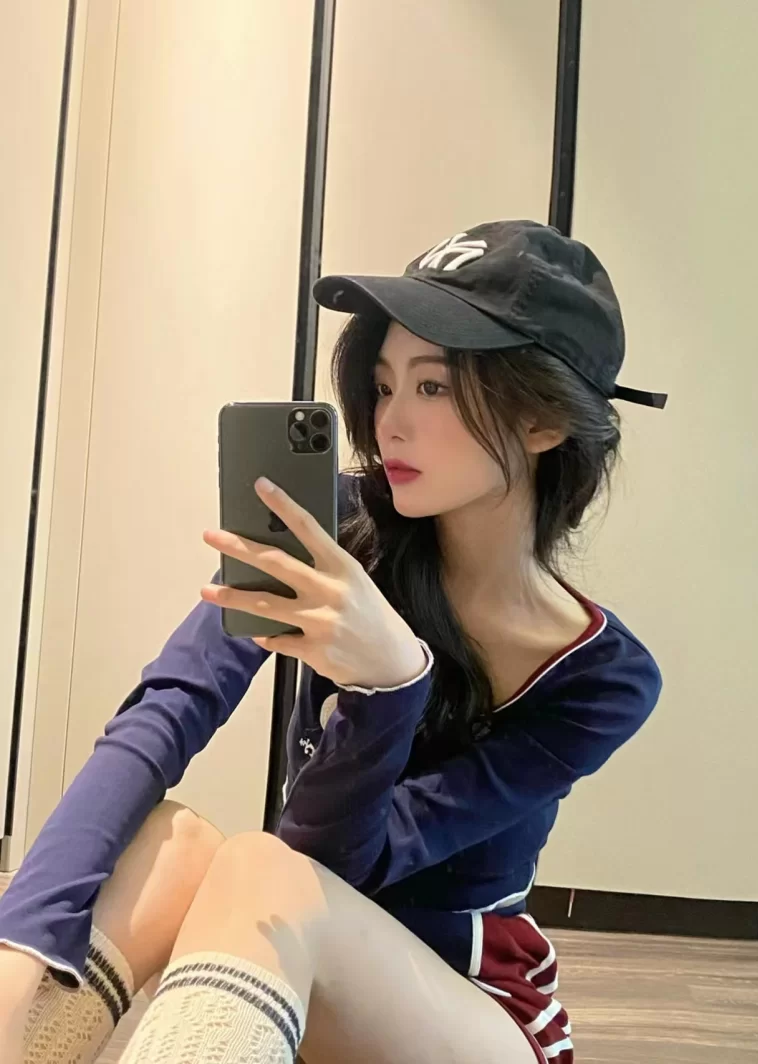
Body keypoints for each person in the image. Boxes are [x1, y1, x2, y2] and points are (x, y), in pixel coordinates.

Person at [0, 219, 666, 1064]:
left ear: (541, 421)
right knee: (176, 841)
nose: (390, 422)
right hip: (298, 952)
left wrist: (390, 687)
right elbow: (170, 707)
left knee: (265, 866)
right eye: (383, 385)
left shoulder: (602, 676)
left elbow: (340, 866)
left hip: (471, 1006)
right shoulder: (342, 531)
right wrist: (23, 936)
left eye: (433, 387)